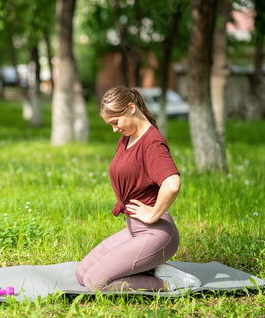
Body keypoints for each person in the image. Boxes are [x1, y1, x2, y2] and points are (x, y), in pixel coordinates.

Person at [75, 86, 200, 292]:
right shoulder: (127, 138)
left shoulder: (152, 143)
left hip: (156, 235)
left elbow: (172, 184)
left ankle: (169, 282)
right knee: (82, 274)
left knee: (93, 283)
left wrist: (152, 215)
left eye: (115, 122)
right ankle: (151, 268)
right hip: (135, 230)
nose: (114, 129)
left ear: (131, 108)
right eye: (110, 124)